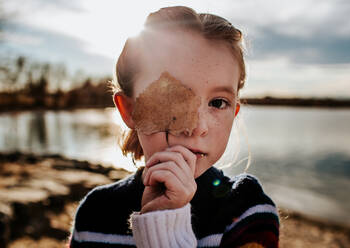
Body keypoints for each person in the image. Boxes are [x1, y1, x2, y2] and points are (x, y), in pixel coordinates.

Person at [69, 6, 279, 248]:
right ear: (129, 111)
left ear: (234, 112)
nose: (197, 127)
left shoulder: (247, 209)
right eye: (171, 99)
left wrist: (164, 230)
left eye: (218, 103)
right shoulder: (95, 213)